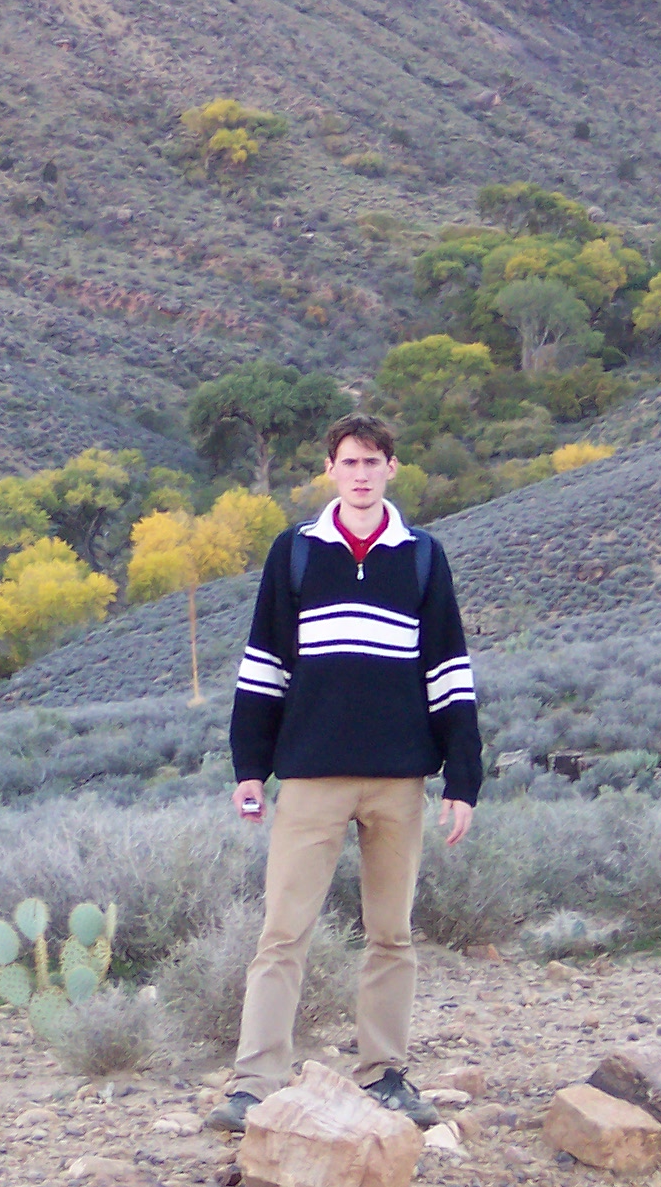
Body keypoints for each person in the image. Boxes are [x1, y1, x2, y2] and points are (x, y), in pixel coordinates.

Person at [204, 411, 479, 1133]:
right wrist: (250, 765)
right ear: (330, 470)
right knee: (283, 934)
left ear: (392, 468)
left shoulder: (422, 556)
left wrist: (463, 778)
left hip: (398, 778)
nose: (361, 474)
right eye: (349, 462)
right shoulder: (295, 552)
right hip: (312, 775)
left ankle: (385, 1076)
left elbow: (448, 668)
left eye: (373, 461)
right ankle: (253, 1085)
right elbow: (264, 663)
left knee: (392, 935)